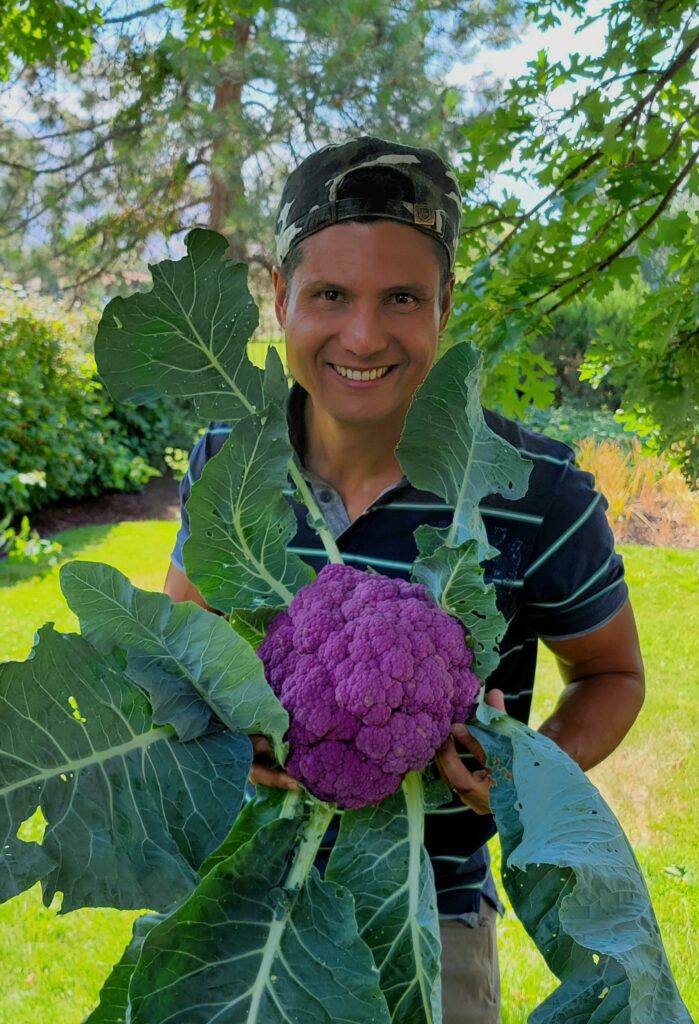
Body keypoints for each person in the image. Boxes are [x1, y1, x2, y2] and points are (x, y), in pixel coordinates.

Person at [164, 136, 645, 1024]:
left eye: (400, 299)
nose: (362, 335)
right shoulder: (230, 461)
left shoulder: (534, 489)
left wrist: (526, 777)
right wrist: (228, 733)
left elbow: (612, 674)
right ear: (281, 298)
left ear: (443, 306)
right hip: (240, 895)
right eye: (331, 296)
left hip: (431, 921)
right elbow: (178, 647)